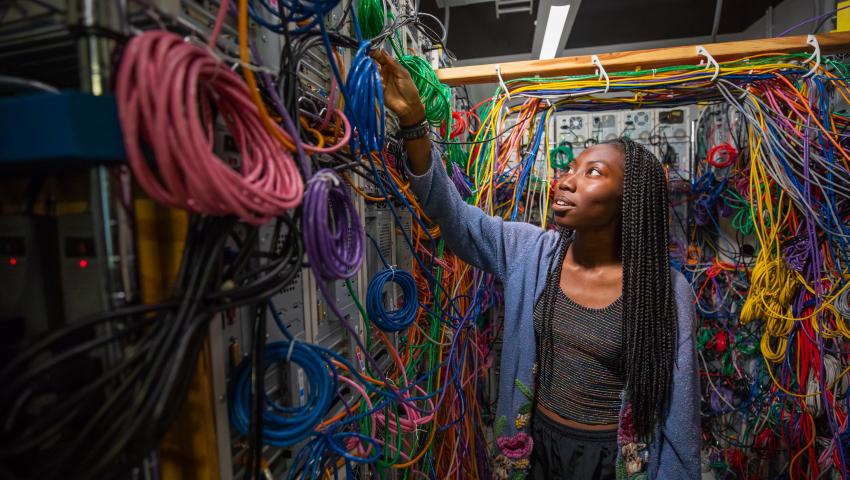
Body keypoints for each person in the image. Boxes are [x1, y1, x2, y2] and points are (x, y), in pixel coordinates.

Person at [371, 50, 700, 480]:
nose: (566, 179)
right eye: (571, 168)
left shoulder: (666, 292)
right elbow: (452, 215)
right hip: (534, 449)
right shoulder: (535, 253)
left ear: (629, 201)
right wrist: (414, 125)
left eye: (593, 172)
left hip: (612, 461)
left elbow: (679, 423)